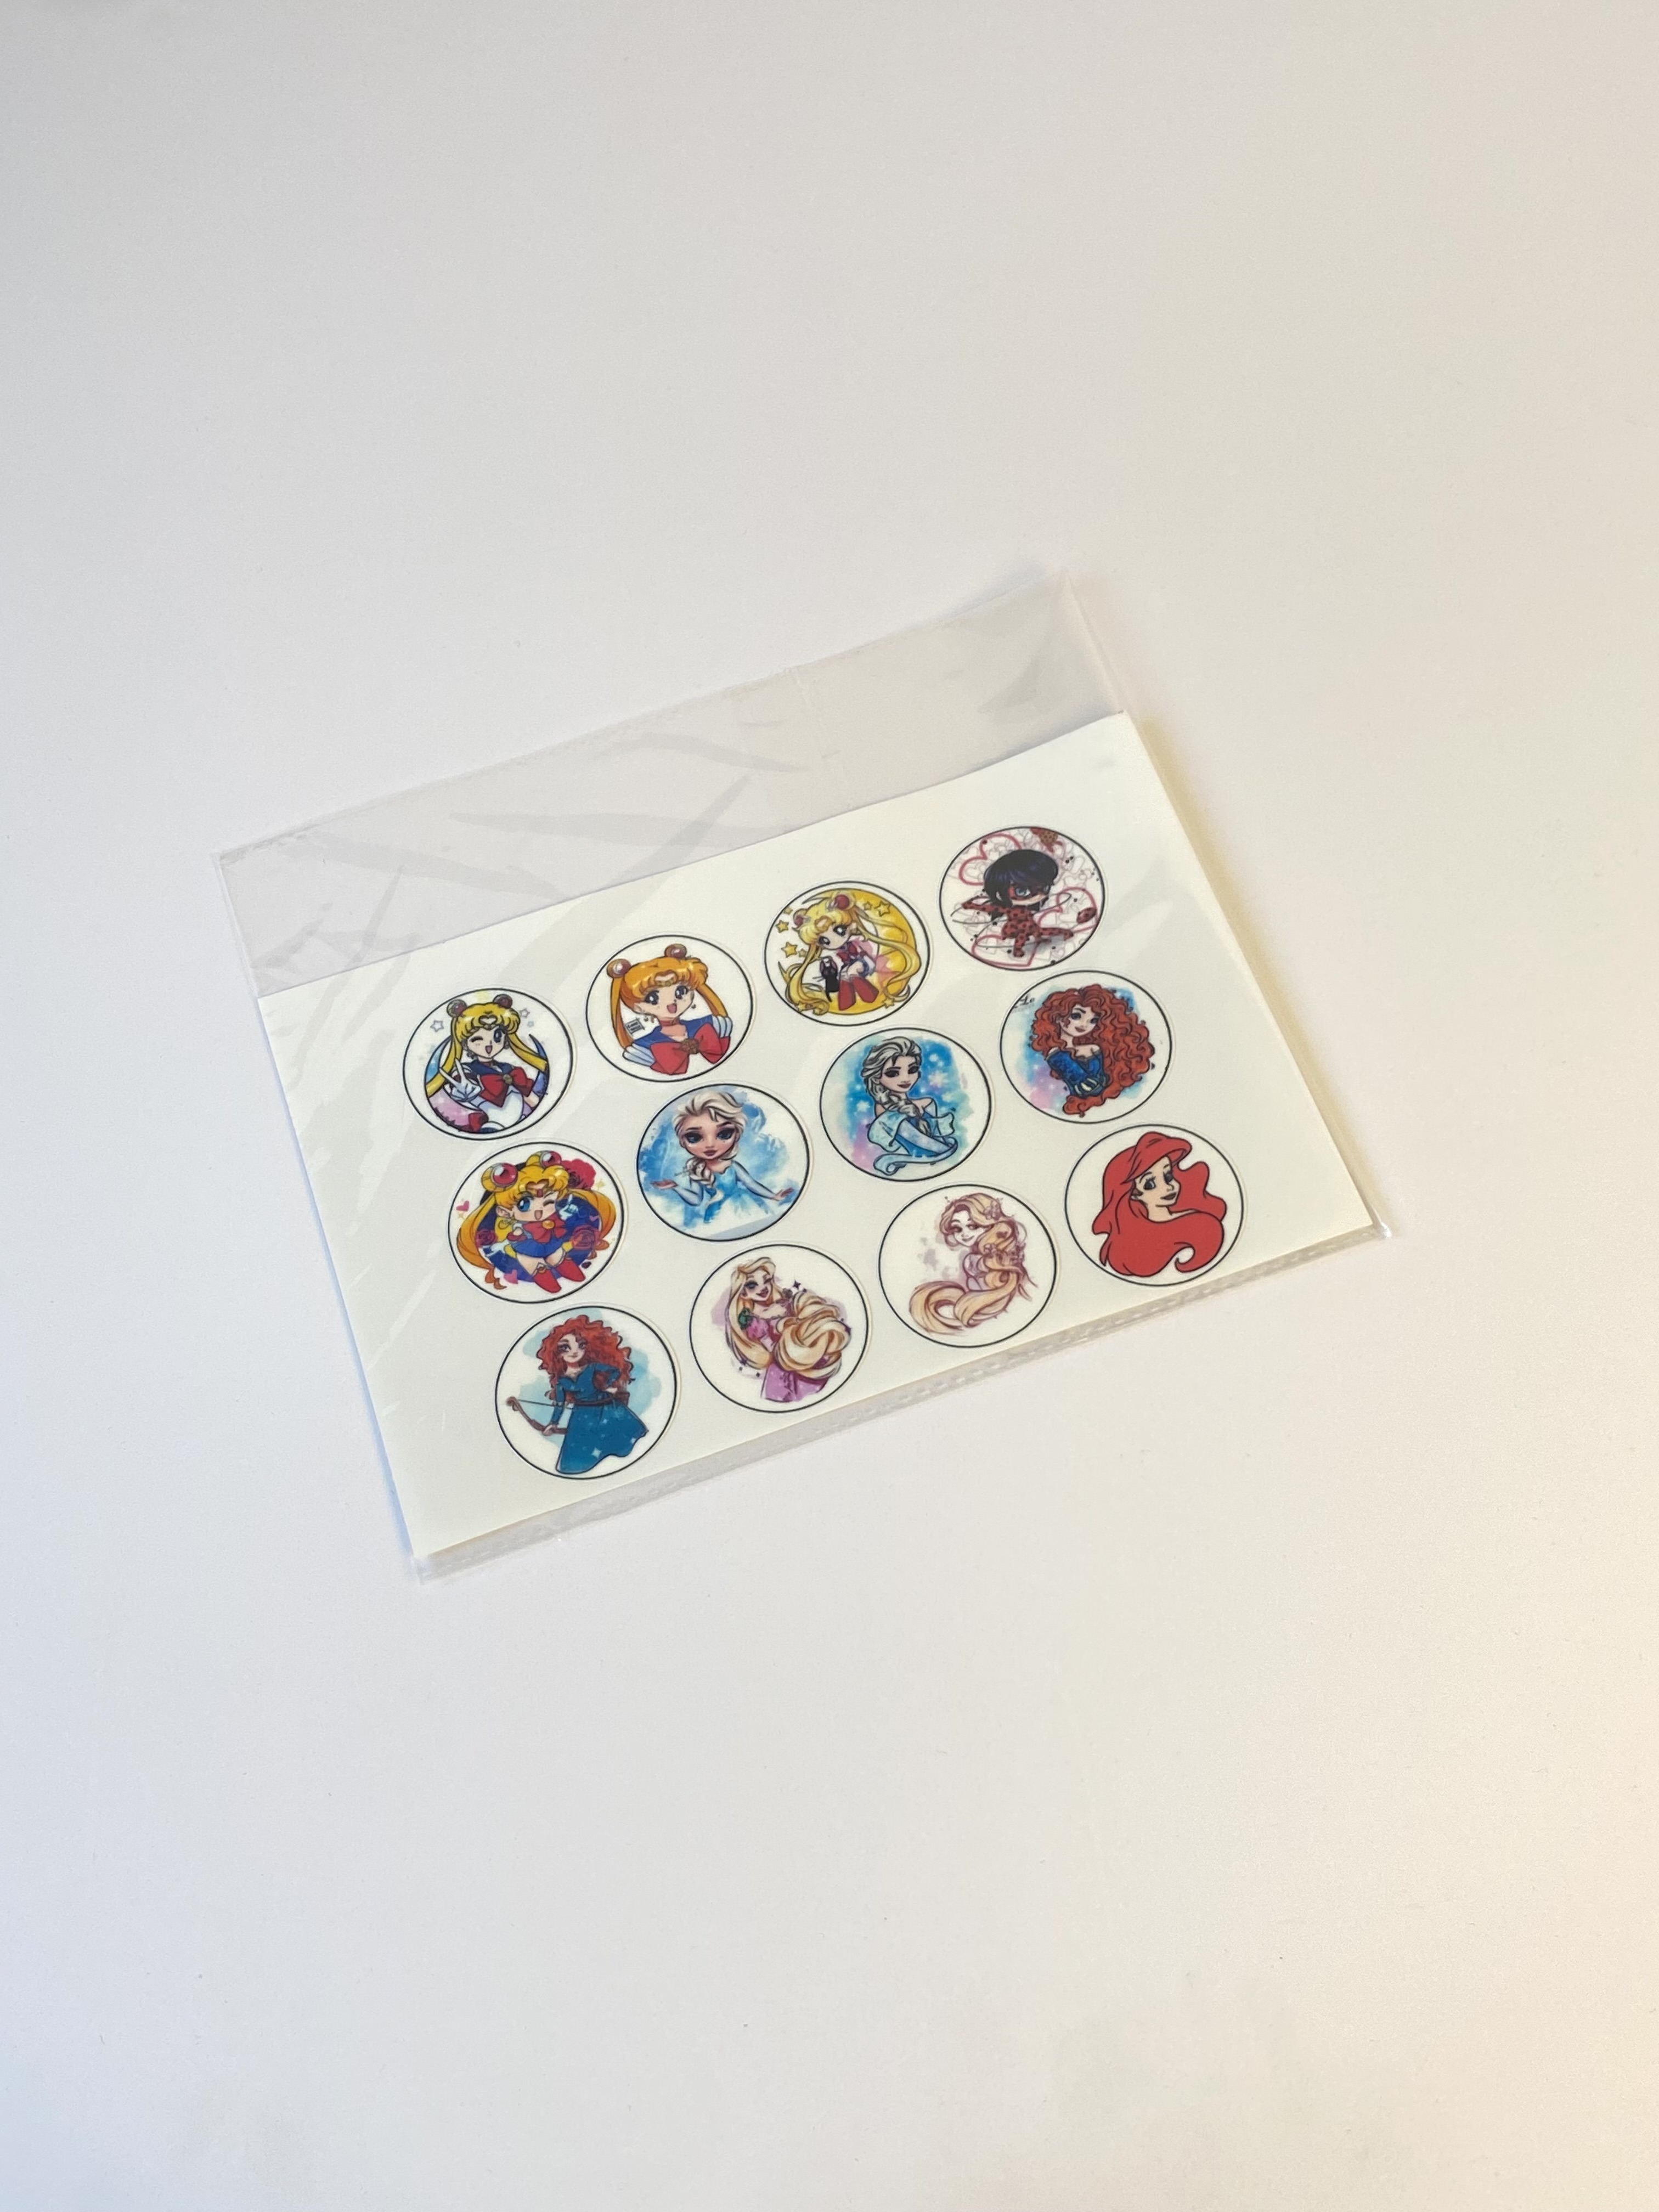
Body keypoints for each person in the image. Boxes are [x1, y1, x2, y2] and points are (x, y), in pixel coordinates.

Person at [506, 1314, 648, 1476]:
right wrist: (553, 1423)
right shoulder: (562, 1381)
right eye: (565, 1348)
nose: (574, 1351)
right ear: (556, 1353)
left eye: (580, 1345)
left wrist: (609, 1386)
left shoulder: (591, 1368)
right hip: (582, 1414)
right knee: (580, 1454)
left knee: (620, 1438)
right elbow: (560, 1405)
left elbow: (615, 1371)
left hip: (604, 1407)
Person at [455, 1150, 616, 1292]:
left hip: (552, 1243)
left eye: (549, 1201)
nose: (540, 1211)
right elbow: (512, 1237)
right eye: (525, 1205)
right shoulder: (514, 1224)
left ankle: (563, 1263)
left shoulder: (556, 1216)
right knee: (531, 1262)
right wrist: (517, 1234)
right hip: (527, 1248)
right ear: (504, 1212)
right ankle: (541, 1273)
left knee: (557, 1255)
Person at [1091, 1131, 1227, 1279]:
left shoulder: (1196, 1218)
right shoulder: (1141, 1244)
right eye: (1150, 1184)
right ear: (1135, 1194)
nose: (1169, 1187)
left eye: (1168, 1176)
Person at [650, 1090, 795, 1223]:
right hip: (717, 1214)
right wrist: (676, 1187)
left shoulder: (732, 1166)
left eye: (724, 1134)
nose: (710, 1145)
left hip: (743, 1206)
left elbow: (751, 1184)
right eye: (694, 1137)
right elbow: (696, 1200)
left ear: (737, 1135)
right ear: (683, 1142)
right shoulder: (697, 1171)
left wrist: (773, 1196)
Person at [723, 1257, 850, 1404]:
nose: (762, 1287)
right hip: (786, 1365)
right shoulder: (754, 1322)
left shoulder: (782, 1302)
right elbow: (771, 1346)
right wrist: (790, 1347)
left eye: (766, 1280)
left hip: (806, 1352)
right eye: (752, 1285)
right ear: (743, 1293)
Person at [780, 890, 922, 1017]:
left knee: (852, 971)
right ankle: (848, 1002)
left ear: (852, 925)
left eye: (840, 930)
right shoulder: (833, 953)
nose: (835, 941)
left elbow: (869, 953)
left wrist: (860, 961)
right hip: (850, 966)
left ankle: (870, 995)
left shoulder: (859, 939)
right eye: (824, 940)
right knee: (845, 974)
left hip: (865, 961)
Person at [909, 1192, 1034, 1334]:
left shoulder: (991, 1259)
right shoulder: (975, 1258)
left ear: (991, 1226)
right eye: (957, 1229)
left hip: (987, 1311)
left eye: (973, 1226)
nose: (964, 1234)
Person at [424, 992, 549, 1132]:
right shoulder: (467, 1070)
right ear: (465, 1044)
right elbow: (462, 1079)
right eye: (477, 1039)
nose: (489, 1045)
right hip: (491, 1127)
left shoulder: (510, 1069)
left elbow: (532, 1100)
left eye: (497, 1036)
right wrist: (463, 1090)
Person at [1028, 984, 1154, 1116]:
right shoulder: (1056, 1054)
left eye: (1093, 1020)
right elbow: (1086, 1088)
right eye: (1076, 1016)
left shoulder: (1094, 1048)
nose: (1084, 1025)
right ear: (1058, 1017)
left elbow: (1101, 1081)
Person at [606, 945, 733, 1075]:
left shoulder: (707, 1024)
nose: (671, 1003)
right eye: (653, 999)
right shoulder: (647, 1045)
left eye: (680, 992)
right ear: (638, 1008)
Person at [860, 1035, 958, 1174]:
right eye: (893, 1073)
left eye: (912, 1070)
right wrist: (943, 1150)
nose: (906, 1078)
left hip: (938, 1162)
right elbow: (921, 1142)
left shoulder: (927, 1103)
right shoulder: (884, 1110)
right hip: (920, 1163)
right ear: (876, 1078)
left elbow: (937, 1136)